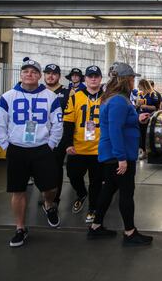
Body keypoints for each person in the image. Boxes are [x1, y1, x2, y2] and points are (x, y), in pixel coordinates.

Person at [0, 58, 64, 247]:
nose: (29, 74)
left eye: (33, 71)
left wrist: (50, 145)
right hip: (17, 149)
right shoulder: (7, 97)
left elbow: (57, 124)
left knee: (51, 187)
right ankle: (20, 228)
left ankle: (49, 204)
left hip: (42, 148)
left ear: (39, 76)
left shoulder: (50, 97)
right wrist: (7, 146)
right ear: (21, 74)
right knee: (18, 190)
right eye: (26, 71)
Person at [87, 62, 153, 246]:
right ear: (126, 80)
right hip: (118, 155)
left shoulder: (114, 98)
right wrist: (121, 159)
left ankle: (96, 227)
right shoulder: (118, 100)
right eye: (132, 78)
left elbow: (119, 122)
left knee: (108, 190)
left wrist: (136, 118)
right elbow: (115, 130)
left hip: (113, 154)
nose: (134, 82)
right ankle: (130, 233)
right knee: (126, 193)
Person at [63, 65, 104, 223]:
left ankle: (92, 208)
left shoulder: (107, 97)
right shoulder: (75, 96)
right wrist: (67, 144)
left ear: (100, 79)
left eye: (96, 76)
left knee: (96, 181)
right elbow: (68, 123)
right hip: (78, 148)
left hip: (98, 149)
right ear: (85, 79)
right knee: (73, 175)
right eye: (90, 76)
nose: (93, 78)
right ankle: (81, 193)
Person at [43, 63, 70, 206]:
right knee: (41, 168)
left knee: (56, 167)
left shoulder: (67, 91)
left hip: (59, 135)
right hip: (40, 136)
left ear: (59, 76)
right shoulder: (38, 91)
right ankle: (46, 196)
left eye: (54, 73)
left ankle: (55, 198)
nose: (50, 76)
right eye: (48, 73)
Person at [135, 79, 160, 160]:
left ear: (144, 85)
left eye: (139, 84)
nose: (138, 86)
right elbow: (137, 105)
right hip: (140, 117)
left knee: (148, 135)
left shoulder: (153, 94)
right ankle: (143, 151)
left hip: (149, 117)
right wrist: (137, 105)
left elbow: (156, 107)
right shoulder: (139, 94)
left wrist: (146, 107)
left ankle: (149, 151)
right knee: (141, 135)